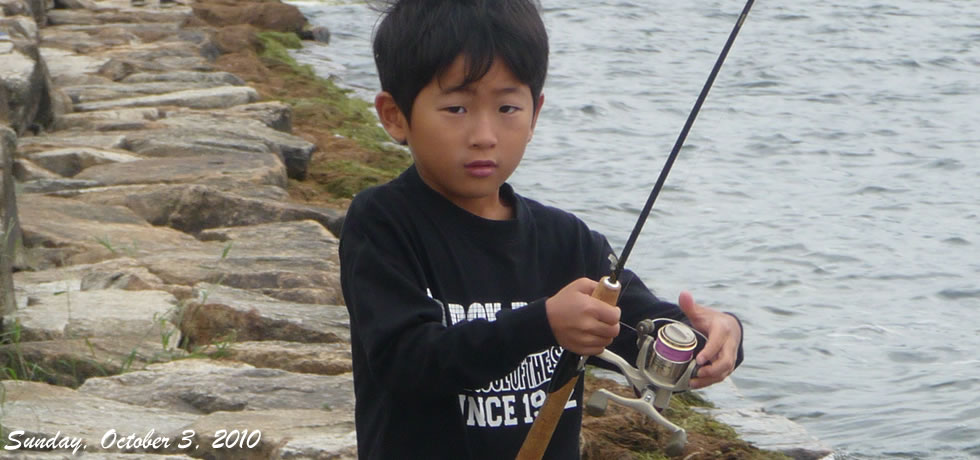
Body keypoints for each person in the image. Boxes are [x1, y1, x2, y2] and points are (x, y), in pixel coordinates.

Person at [339, 1, 744, 458]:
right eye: (456, 108)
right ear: (394, 115)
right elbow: (406, 361)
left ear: (535, 114)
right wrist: (542, 324)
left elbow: (641, 332)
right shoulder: (383, 222)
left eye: (507, 107)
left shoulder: (566, 241)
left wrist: (715, 336)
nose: (485, 135)